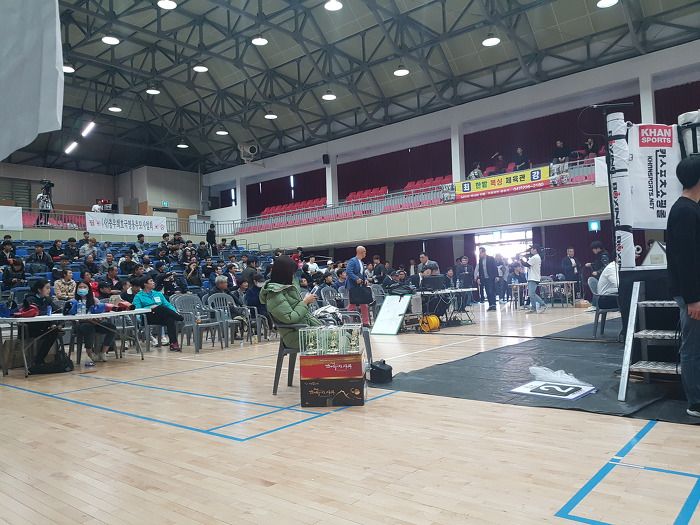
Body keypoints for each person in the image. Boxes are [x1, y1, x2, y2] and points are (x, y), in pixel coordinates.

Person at [666, 156, 700, 417]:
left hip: (694, 292)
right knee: (692, 348)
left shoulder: (691, 209)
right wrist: (693, 299)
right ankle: (695, 402)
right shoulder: (684, 211)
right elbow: (685, 260)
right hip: (692, 294)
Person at [259, 255, 321, 350]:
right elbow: (290, 318)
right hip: (296, 336)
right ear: (284, 274)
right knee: (336, 340)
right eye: (292, 273)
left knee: (341, 335)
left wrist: (306, 302)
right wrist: (305, 302)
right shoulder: (274, 294)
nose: (293, 276)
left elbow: (297, 309)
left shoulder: (287, 289)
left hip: (305, 329)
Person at [132, 277, 183, 351]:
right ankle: (179, 317)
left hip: (159, 316)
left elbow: (168, 305)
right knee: (159, 307)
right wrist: (149, 307)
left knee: (170, 319)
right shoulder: (138, 296)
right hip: (147, 317)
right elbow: (137, 310)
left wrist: (175, 311)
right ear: (145, 284)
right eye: (151, 281)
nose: (153, 282)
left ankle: (173, 343)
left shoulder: (158, 294)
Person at [73, 282, 117, 365]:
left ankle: (103, 352)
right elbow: (73, 317)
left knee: (111, 327)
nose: (82, 289)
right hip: (81, 325)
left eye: (84, 287)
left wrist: (100, 318)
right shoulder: (74, 301)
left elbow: (101, 312)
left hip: (96, 323)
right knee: (88, 327)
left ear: (88, 289)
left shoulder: (94, 300)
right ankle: (90, 353)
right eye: (80, 287)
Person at [23, 279, 62, 369]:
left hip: (45, 327)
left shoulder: (47, 299)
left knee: (54, 331)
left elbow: (57, 310)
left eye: (50, 288)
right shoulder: (30, 299)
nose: (49, 290)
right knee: (53, 331)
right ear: (39, 290)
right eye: (47, 288)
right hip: (31, 328)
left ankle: (39, 359)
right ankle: (38, 360)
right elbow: (35, 313)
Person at [346, 245, 371, 326]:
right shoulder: (352, 261)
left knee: (364, 304)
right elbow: (349, 272)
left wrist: (365, 279)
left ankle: (365, 322)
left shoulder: (361, 262)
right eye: (364, 252)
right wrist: (356, 278)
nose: (365, 253)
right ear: (361, 252)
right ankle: (349, 322)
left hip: (360, 286)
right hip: (353, 286)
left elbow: (362, 274)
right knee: (352, 305)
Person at [520, 245, 547, 313]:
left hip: (533, 278)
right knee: (531, 294)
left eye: (532, 249)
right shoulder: (536, 257)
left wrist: (520, 259)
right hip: (533, 277)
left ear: (535, 250)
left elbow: (526, 264)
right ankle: (533, 308)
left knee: (531, 293)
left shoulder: (535, 257)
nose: (531, 250)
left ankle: (542, 304)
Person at [477, 247, 498, 311]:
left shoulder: (491, 258)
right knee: (487, 292)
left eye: (480, 252)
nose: (480, 254)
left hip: (491, 277)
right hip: (484, 278)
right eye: (479, 253)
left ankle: (494, 305)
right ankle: (490, 305)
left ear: (484, 252)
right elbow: (480, 270)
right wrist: (479, 278)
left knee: (491, 291)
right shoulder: (480, 260)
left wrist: (497, 276)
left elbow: (495, 267)